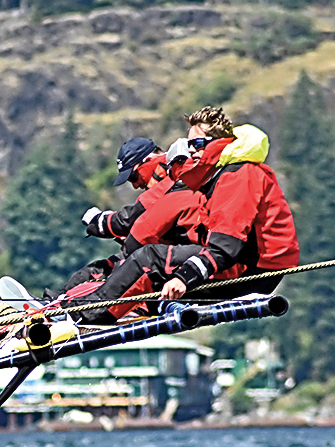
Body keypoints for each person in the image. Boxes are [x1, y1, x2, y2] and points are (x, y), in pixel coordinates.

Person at [66, 107, 299, 324]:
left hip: (254, 271)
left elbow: (225, 247)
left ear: (219, 142)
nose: (191, 151)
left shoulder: (238, 175)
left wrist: (184, 277)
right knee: (149, 264)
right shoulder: (218, 175)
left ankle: (85, 317)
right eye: (189, 145)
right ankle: (75, 307)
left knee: (148, 259)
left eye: (197, 144)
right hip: (242, 261)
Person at [48, 137, 176, 297]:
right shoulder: (166, 179)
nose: (135, 185)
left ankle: (61, 305)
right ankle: (53, 302)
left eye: (133, 177)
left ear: (148, 160)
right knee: (96, 269)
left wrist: (99, 222)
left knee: (105, 276)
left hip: (169, 262)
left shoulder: (172, 178)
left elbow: (128, 220)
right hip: (158, 256)